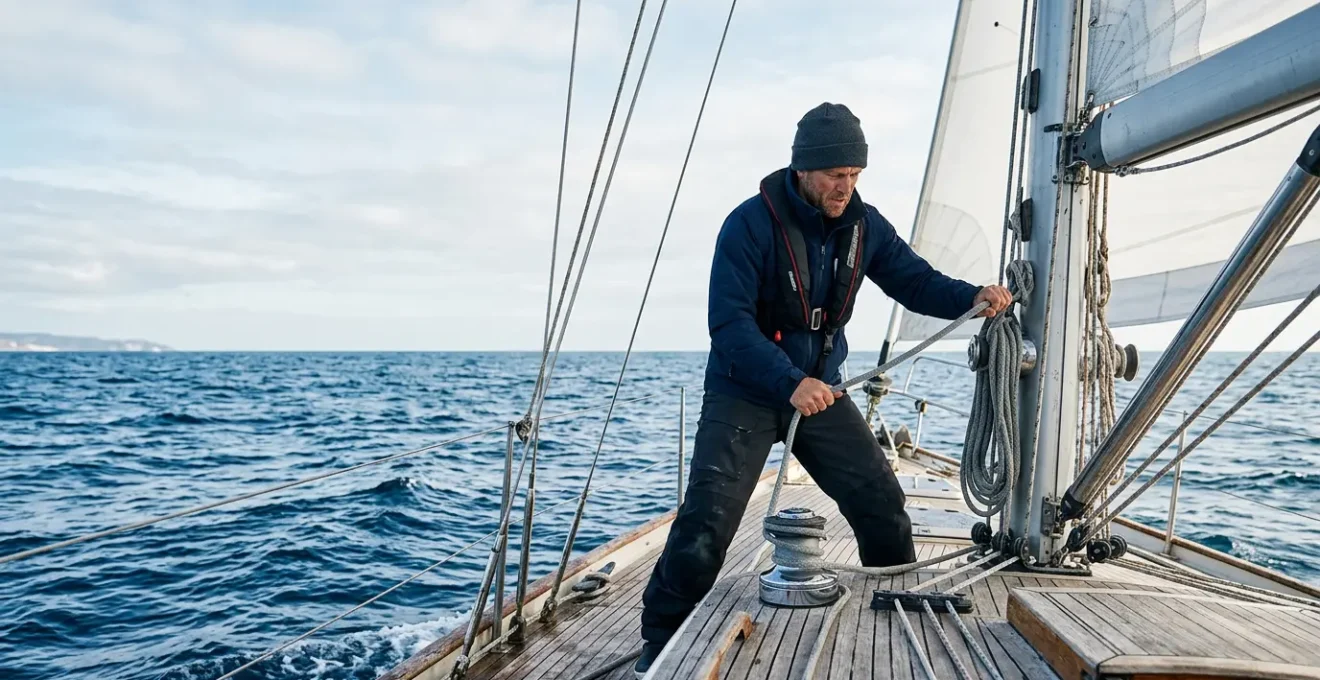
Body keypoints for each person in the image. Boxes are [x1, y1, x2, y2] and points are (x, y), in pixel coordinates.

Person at [632, 102, 1012, 677]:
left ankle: (893, 620)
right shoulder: (748, 225)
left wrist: (971, 297)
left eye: (855, 175)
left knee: (882, 504)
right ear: (803, 168)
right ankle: (658, 650)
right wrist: (790, 381)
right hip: (748, 389)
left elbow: (914, 281)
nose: (846, 187)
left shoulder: (864, 226)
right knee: (707, 524)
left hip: (821, 393)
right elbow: (728, 326)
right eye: (836, 175)